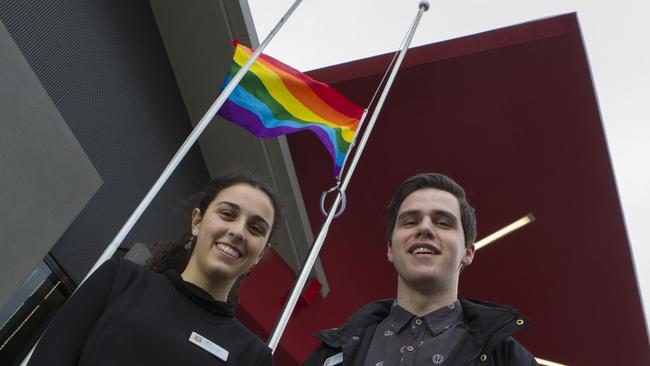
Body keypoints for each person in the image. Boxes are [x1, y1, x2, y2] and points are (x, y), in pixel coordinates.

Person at [28, 175, 280, 366]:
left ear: (261, 254)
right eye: (227, 214)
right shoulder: (119, 279)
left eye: (255, 229)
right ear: (197, 221)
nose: (237, 231)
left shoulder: (252, 357)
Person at [304, 173, 538, 366]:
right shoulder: (331, 353)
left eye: (443, 223)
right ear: (390, 249)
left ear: (468, 253)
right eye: (410, 222)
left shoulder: (508, 359)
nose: (425, 228)